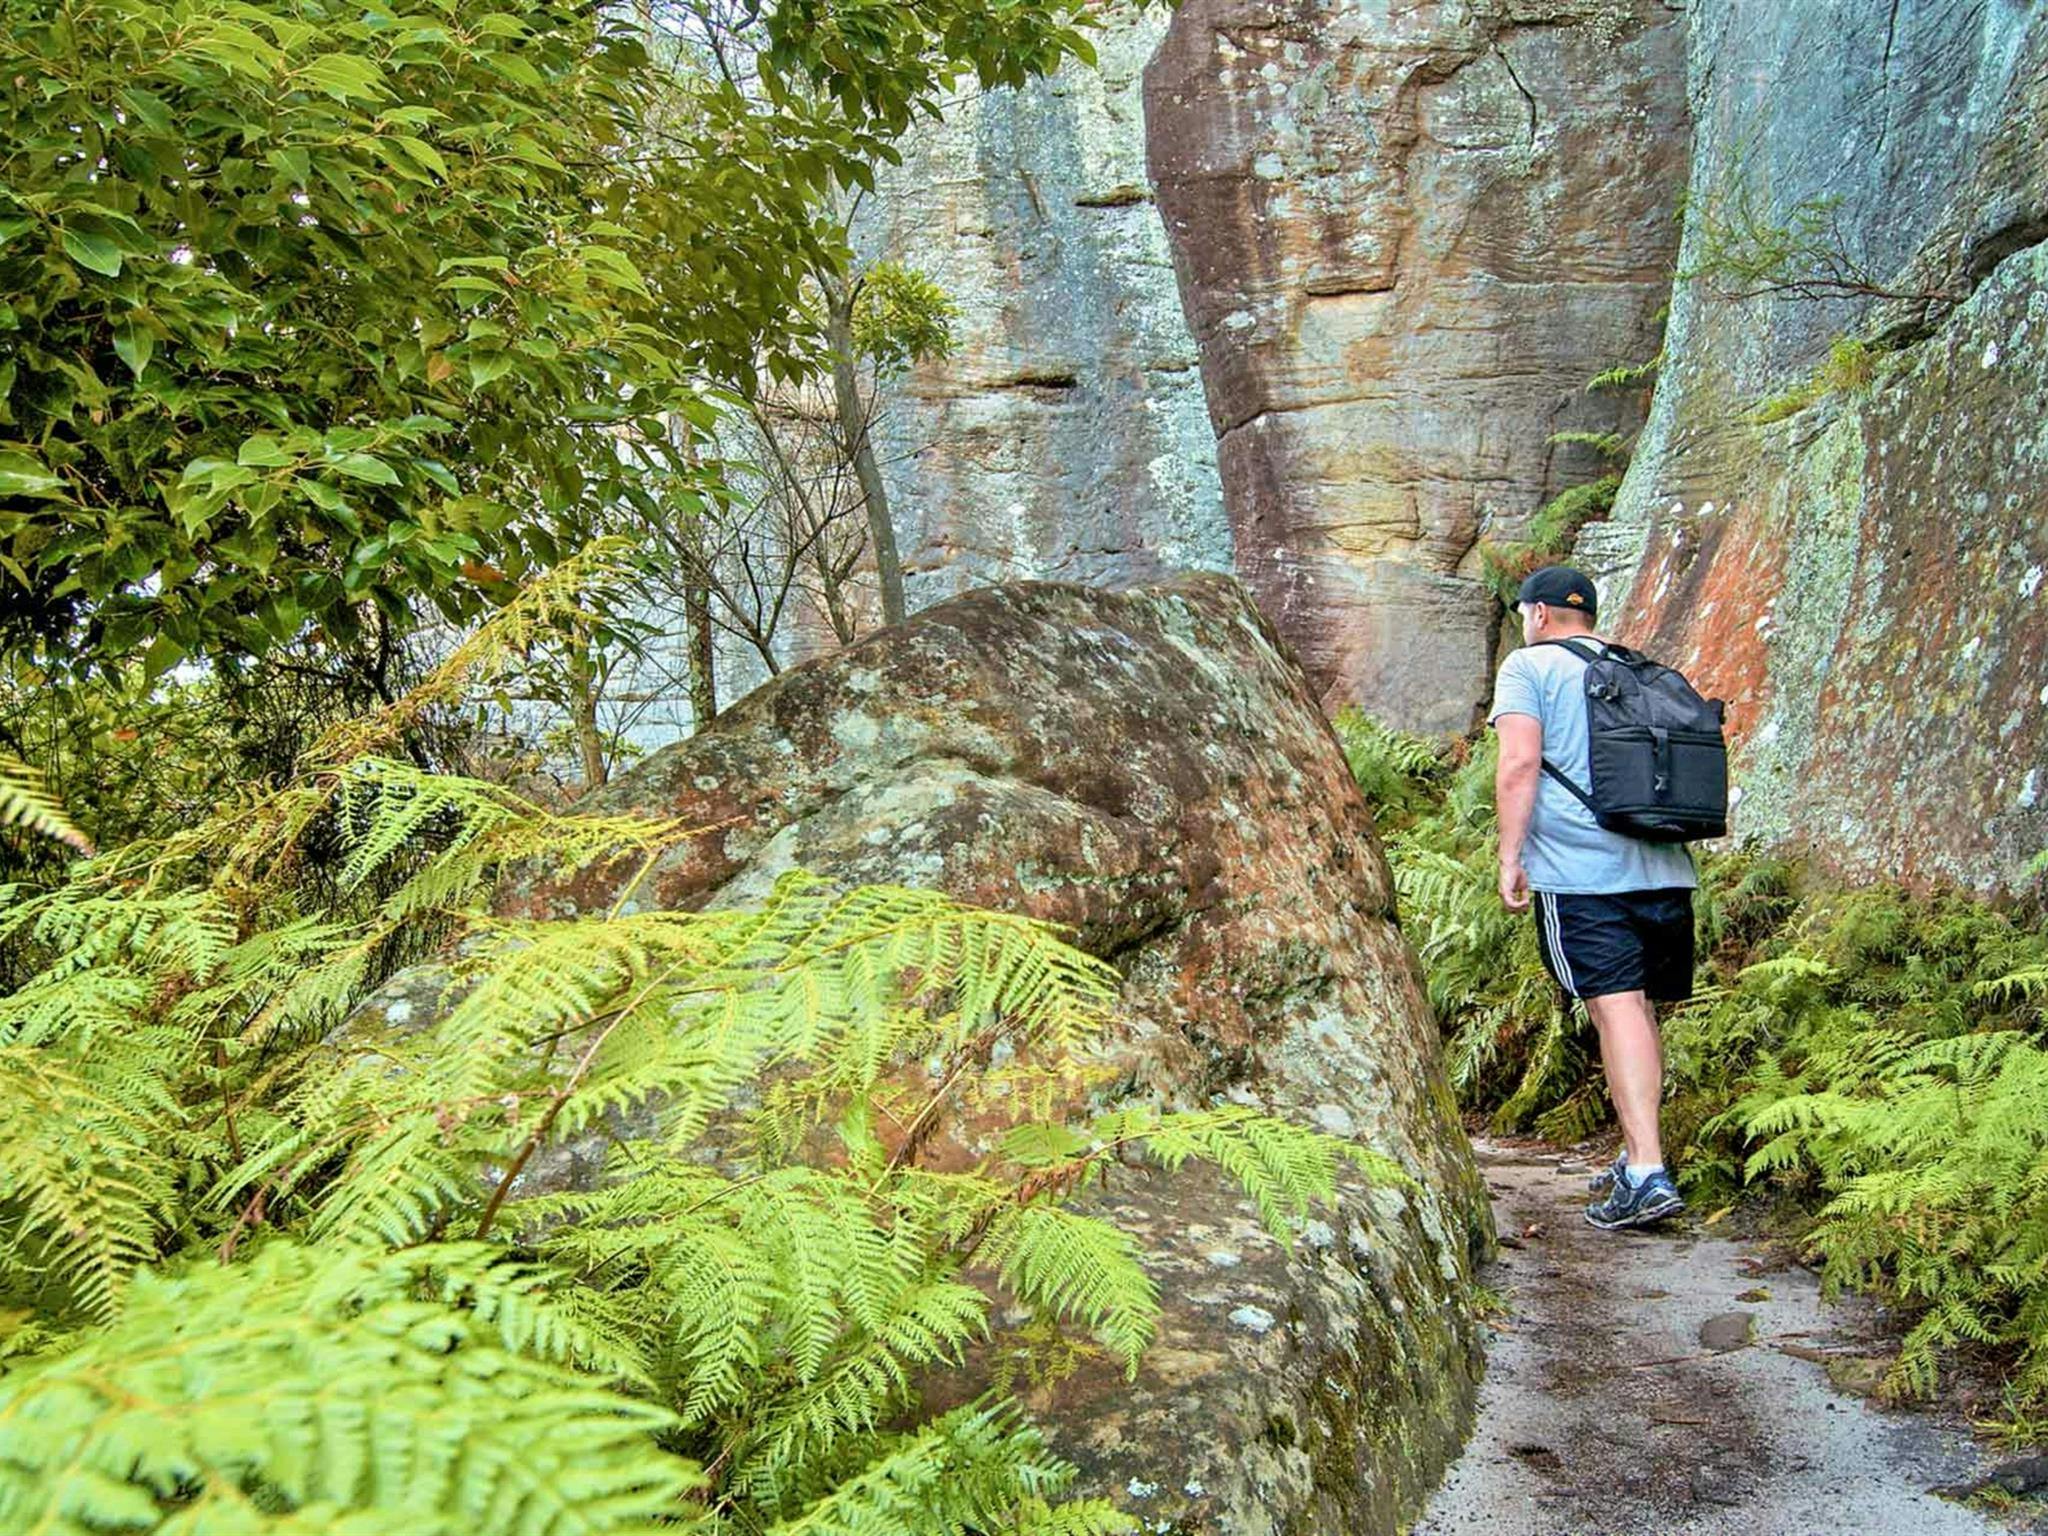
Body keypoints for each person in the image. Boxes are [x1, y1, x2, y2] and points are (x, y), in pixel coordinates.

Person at [1489, 564, 1694, 1230]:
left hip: (1584, 875)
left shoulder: (1530, 667)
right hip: (1662, 867)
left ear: (1539, 614)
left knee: (1616, 1010)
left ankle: (1646, 1171)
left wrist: (1510, 856)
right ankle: (1642, 1154)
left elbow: (1519, 763)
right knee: (1633, 1011)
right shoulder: (1635, 666)